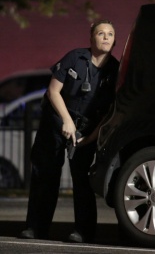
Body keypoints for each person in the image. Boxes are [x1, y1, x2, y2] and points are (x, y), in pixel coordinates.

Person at [20, 19, 119, 243]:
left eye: (110, 34)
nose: (105, 37)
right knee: (45, 174)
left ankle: (83, 232)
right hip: (56, 120)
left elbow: (109, 112)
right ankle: (36, 228)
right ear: (91, 38)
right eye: (101, 33)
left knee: (82, 179)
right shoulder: (74, 57)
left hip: (87, 128)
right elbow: (53, 91)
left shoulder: (115, 70)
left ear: (114, 41)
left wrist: (88, 139)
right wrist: (66, 120)